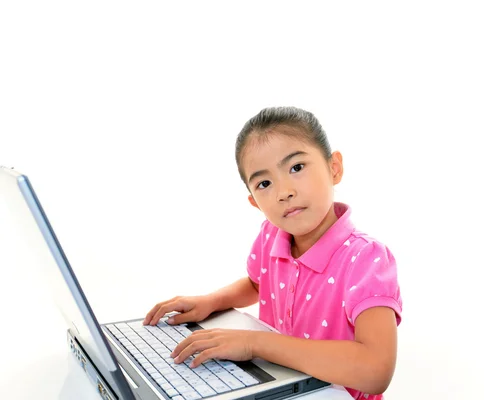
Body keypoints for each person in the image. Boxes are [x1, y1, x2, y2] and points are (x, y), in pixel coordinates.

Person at [143, 106, 403, 399]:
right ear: (254, 201)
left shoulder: (366, 259)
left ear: (334, 168)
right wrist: (210, 301)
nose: (284, 192)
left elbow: (376, 371)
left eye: (296, 167)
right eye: (265, 183)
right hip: (285, 388)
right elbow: (258, 283)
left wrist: (254, 344)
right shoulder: (272, 235)